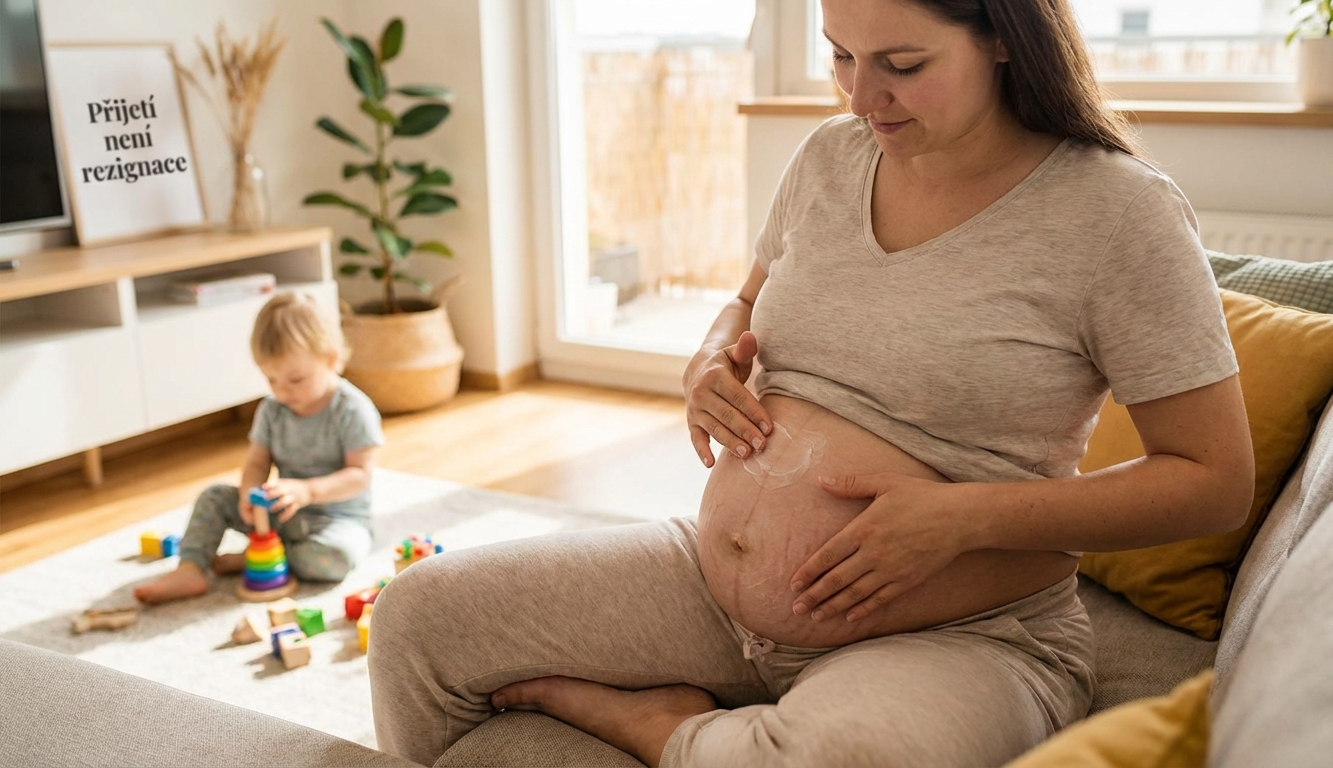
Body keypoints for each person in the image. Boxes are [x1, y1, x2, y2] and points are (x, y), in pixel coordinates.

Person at [368, 0, 1255, 765]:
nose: (862, 97)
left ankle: (663, 731)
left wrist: (962, 517)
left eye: (903, 65)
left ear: (1003, 36)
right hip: (710, 588)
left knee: (842, 757)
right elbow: (748, 299)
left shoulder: (1117, 212)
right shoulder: (831, 157)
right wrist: (712, 356)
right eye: (840, 55)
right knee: (418, 624)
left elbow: (1213, 482)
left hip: (964, 634)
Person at [134, 292, 383, 604]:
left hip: (336, 520)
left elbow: (359, 475)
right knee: (213, 497)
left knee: (336, 558)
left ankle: (260, 556)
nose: (282, 391)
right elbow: (256, 461)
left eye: (295, 379)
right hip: (279, 514)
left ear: (330, 360)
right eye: (271, 379)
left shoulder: (352, 409)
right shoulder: (272, 409)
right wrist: (248, 493)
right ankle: (191, 568)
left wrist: (308, 491)